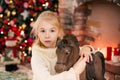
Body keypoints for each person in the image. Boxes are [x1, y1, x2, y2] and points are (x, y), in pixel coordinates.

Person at [31, 10, 94, 80]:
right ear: (37, 33)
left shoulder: (62, 47)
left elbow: (76, 50)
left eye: (52, 30)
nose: (47, 35)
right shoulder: (37, 57)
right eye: (43, 31)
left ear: (58, 32)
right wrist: (74, 71)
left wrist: (86, 48)